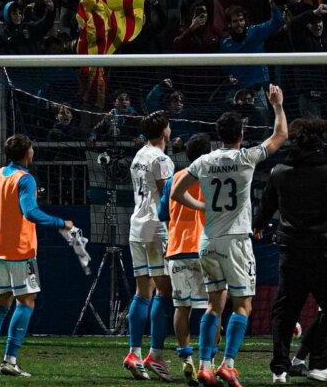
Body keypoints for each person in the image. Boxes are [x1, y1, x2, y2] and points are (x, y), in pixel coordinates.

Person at [169, 85, 289, 387]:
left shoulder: (202, 162)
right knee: (243, 305)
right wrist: (277, 106)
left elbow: (175, 192)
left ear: (218, 134)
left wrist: (201, 205)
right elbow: (280, 137)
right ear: (241, 132)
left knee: (213, 305)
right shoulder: (246, 158)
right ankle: (229, 364)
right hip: (236, 239)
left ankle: (206, 365)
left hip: (207, 240)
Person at [254, 118, 327, 383]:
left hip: (289, 250)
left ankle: (280, 368)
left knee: (285, 311)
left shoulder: (279, 171)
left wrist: (258, 225)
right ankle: (319, 364)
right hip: (322, 250)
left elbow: (263, 210)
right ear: (320, 142)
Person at [0, 134, 74, 377]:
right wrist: (61, 222)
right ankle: (10, 360)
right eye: (32, 148)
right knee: (26, 301)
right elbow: (30, 213)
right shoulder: (25, 179)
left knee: (2, 302)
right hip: (20, 250)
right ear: (27, 152)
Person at [123, 111, 177, 381]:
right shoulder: (161, 159)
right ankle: (155, 354)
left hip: (136, 226)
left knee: (142, 290)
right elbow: (167, 197)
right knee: (163, 291)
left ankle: (133, 351)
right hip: (156, 227)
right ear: (164, 131)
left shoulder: (138, 156)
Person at [158, 134, 211, 386]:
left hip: (176, 248)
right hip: (204, 247)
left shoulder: (173, 179)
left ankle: (185, 356)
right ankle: (206, 362)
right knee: (212, 307)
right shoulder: (210, 176)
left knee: (181, 306)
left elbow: (161, 213)